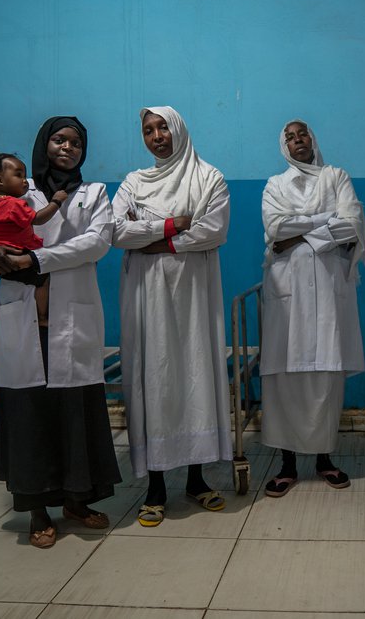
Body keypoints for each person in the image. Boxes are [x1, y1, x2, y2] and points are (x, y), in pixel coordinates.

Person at [0, 116, 121, 548]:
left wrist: (36, 261)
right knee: (30, 415)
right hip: (25, 320)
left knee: (76, 412)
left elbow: (97, 242)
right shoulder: (19, 190)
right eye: (59, 139)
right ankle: (38, 511)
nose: (67, 147)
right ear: (44, 144)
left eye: (76, 142)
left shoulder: (94, 193)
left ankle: (77, 500)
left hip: (72, 322)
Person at [112, 106, 232, 527]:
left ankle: (197, 479)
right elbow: (117, 232)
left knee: (194, 373)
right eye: (148, 130)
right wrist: (173, 225)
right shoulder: (133, 182)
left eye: (163, 127)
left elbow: (213, 231)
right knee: (154, 380)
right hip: (146, 297)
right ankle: (156, 486)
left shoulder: (209, 178)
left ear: (178, 128)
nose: (157, 135)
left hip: (194, 296)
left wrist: (155, 240)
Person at [260, 119, 365, 497]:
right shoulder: (275, 185)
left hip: (327, 292)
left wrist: (298, 233)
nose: (296, 140)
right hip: (286, 295)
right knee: (285, 378)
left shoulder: (335, 176)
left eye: (301, 133)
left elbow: (352, 225)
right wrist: (324, 224)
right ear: (283, 145)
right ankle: (287, 464)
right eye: (288, 136)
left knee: (325, 376)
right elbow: (274, 229)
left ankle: (323, 459)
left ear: (313, 138)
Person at [0, 149, 68, 325]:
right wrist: (56, 202)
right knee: (44, 279)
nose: (25, 181)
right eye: (18, 175)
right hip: (17, 253)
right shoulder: (14, 204)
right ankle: (43, 316)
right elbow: (38, 219)